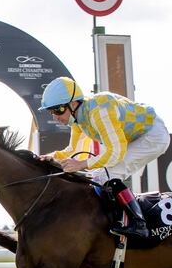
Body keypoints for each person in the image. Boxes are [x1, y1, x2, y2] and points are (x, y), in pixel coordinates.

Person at [38, 76, 169, 238]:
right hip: (139, 136)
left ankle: (139, 224)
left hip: (153, 135)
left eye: (58, 110)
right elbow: (73, 150)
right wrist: (48, 158)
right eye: (51, 111)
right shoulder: (78, 118)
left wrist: (82, 164)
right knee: (99, 175)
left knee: (106, 174)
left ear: (73, 104)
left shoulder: (99, 111)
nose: (55, 117)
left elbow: (115, 153)